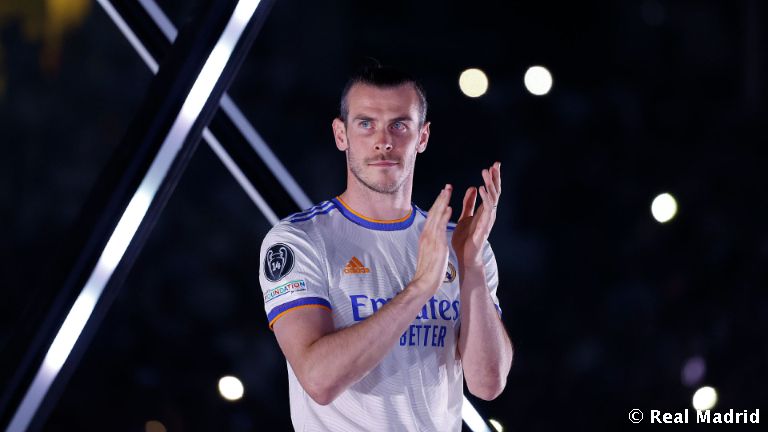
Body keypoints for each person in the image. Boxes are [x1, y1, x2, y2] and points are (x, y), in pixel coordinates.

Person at [258, 64, 513, 431]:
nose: (384, 141)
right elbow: (318, 380)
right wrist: (420, 288)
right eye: (366, 124)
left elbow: (488, 384)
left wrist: (471, 268)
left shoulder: (460, 243)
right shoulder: (299, 240)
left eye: (399, 125)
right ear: (341, 134)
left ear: (422, 137)